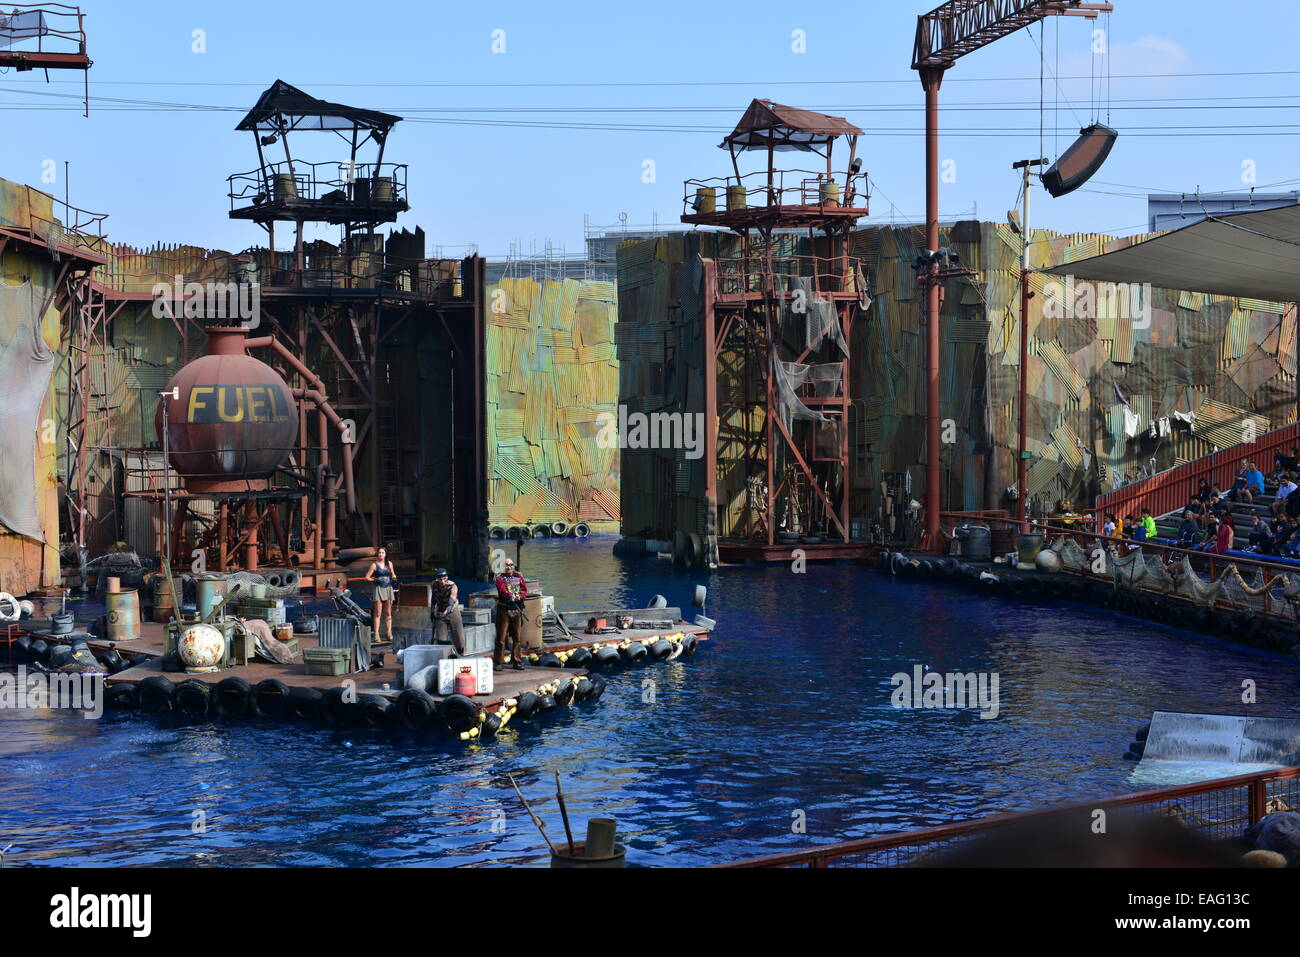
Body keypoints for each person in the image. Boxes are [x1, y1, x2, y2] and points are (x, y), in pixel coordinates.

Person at [493, 558, 528, 672]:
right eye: (506, 565)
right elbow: (502, 590)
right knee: (501, 638)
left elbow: (524, 590)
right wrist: (511, 596)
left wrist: (520, 596)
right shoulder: (499, 578)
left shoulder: (519, 577)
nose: (509, 567)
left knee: (517, 637)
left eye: (511, 565)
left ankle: (516, 661)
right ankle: (498, 662)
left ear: (513, 566)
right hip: (504, 610)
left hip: (517, 610)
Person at [364, 546, 398, 643]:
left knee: (388, 613)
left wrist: (394, 578)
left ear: (385, 554)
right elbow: (367, 577)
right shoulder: (374, 565)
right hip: (378, 588)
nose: (381, 554)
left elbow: (393, 574)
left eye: (382, 552)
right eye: (379, 552)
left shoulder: (390, 564)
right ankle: (376, 634)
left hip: (388, 588)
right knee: (378, 613)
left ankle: (389, 633)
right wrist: (375, 579)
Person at [431, 568, 465, 656]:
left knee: (459, 636)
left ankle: (461, 653)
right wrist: (432, 612)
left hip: (452, 611)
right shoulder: (434, 585)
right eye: (440, 579)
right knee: (441, 639)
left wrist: (444, 614)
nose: (442, 581)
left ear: (447, 577)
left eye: (444, 578)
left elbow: (450, 604)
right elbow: (433, 599)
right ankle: (446, 655)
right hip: (440, 611)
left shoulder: (452, 586)